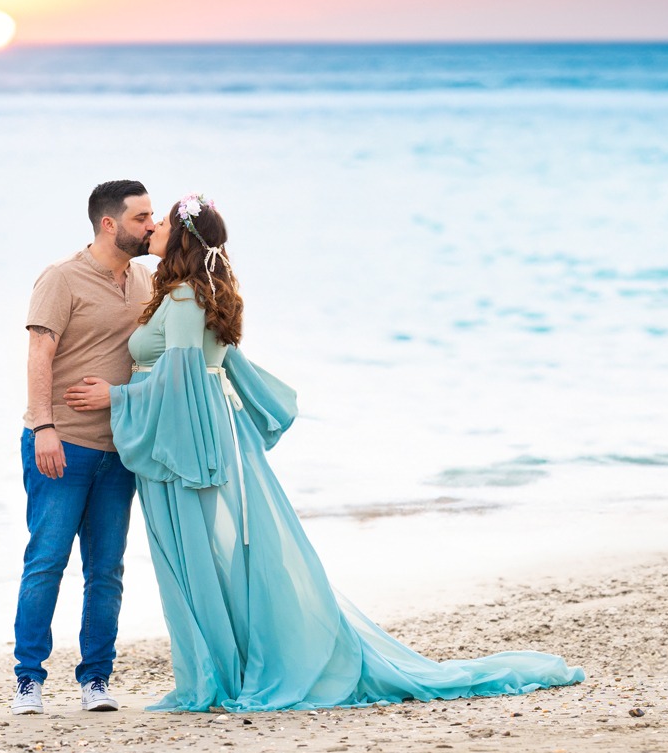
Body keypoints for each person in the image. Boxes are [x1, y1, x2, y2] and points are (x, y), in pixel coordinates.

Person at [64, 193, 584, 712]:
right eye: (145, 219)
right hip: (204, 434)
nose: (151, 227)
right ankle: (230, 665)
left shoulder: (181, 299)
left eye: (160, 222)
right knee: (217, 558)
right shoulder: (196, 292)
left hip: (184, 444)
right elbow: (215, 369)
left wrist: (115, 398)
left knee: (198, 558)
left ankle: (217, 675)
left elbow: (181, 378)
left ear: (178, 239)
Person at [11, 180, 157, 716]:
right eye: (142, 217)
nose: (151, 225)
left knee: (107, 570)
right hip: (61, 444)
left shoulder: (144, 280)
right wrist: (43, 426)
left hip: (120, 451)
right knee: (46, 561)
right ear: (109, 225)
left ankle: (96, 679)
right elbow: (38, 355)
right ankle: (29, 680)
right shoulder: (61, 278)